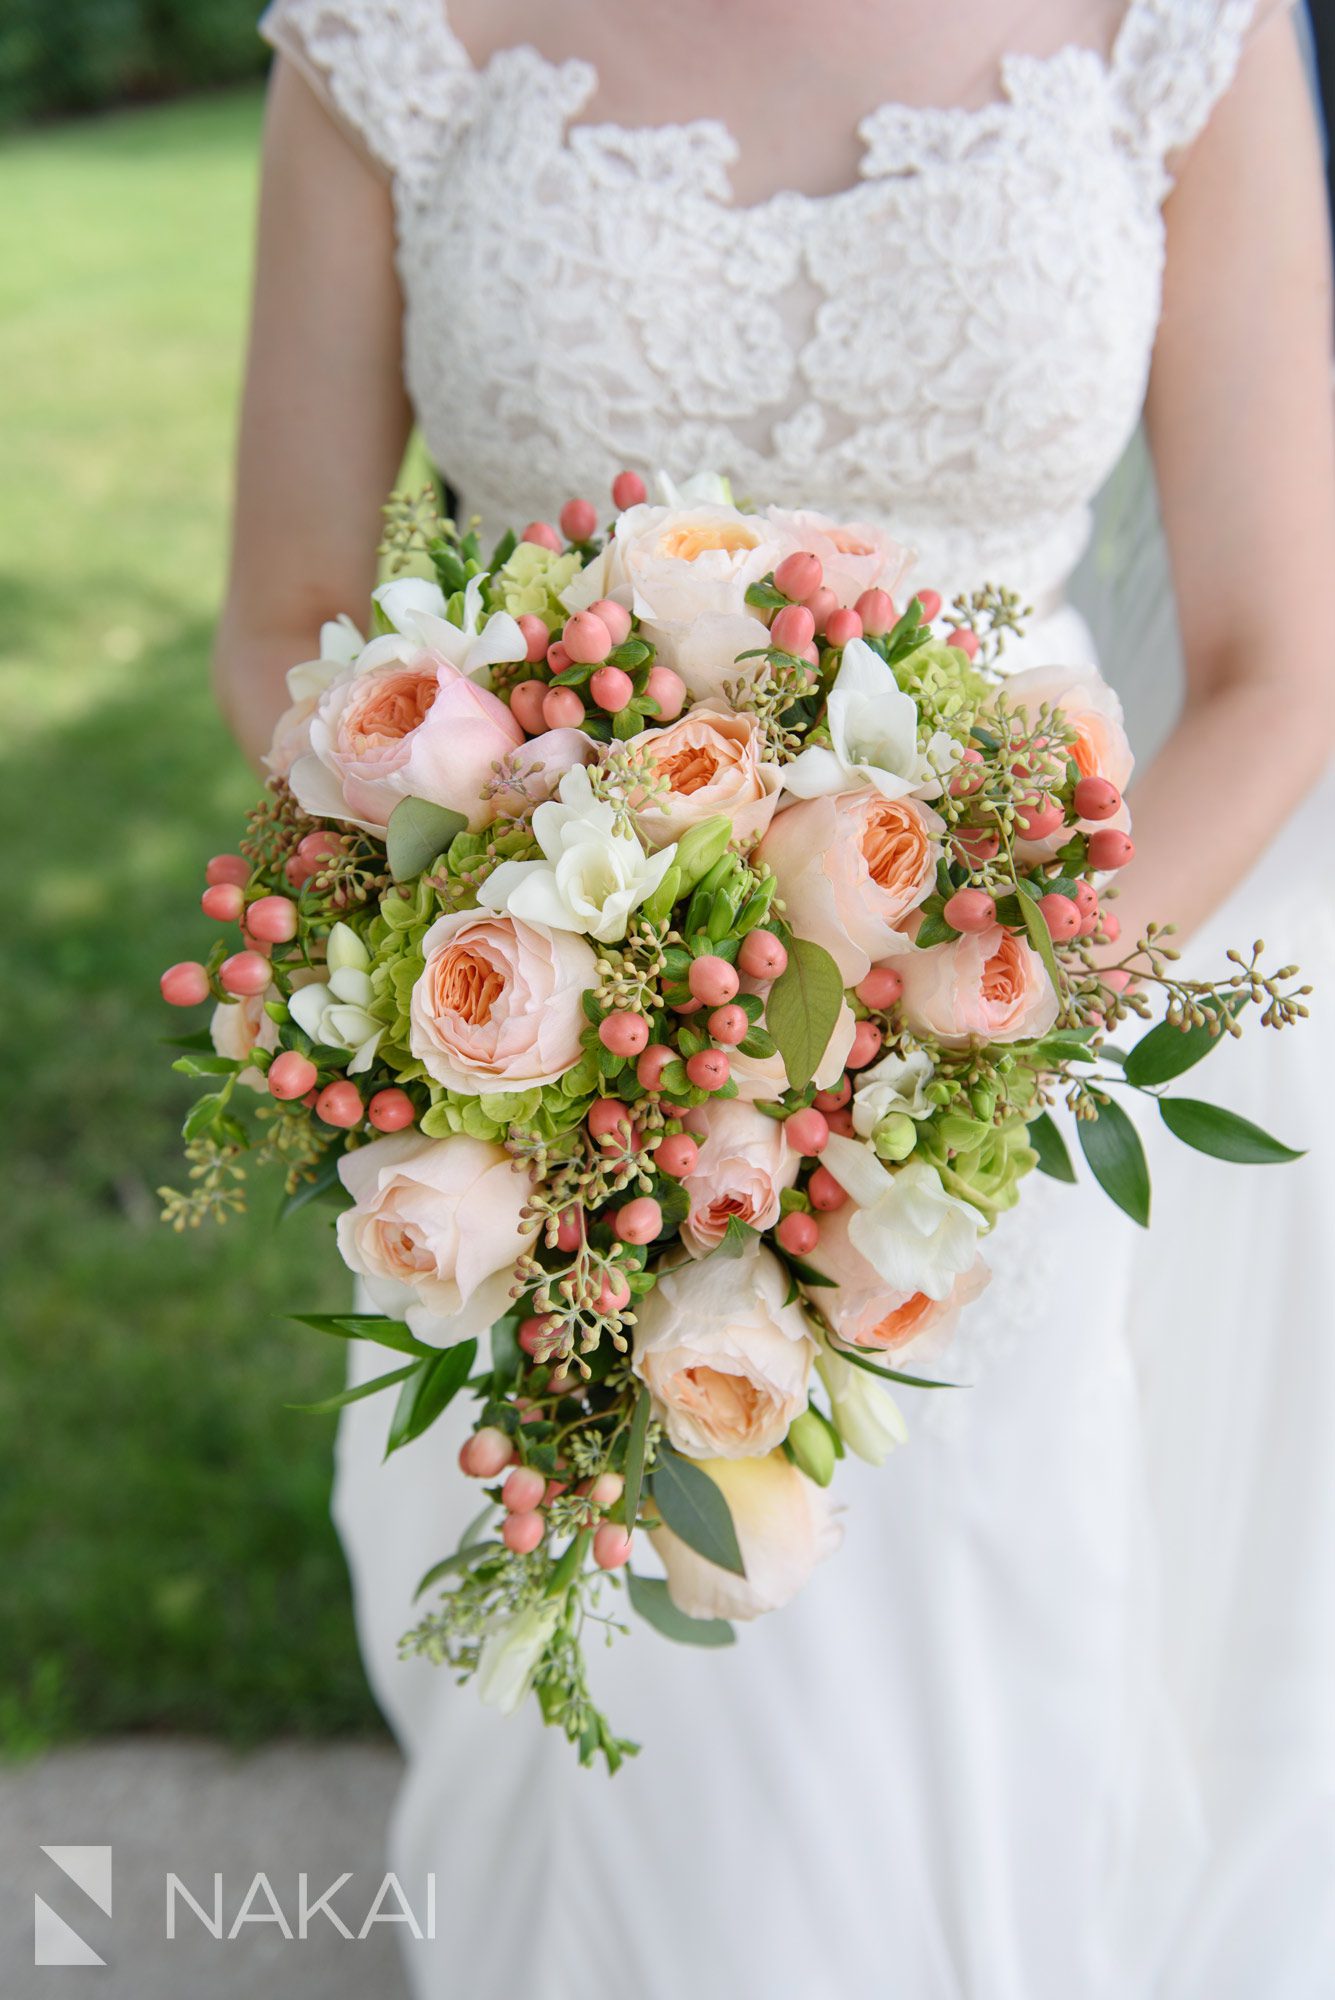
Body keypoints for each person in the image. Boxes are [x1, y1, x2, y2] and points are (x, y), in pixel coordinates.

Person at [215, 4, 1335, 1995]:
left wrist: (973, 1024)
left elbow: (1272, 662)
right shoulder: (388, 33)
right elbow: (284, 610)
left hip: (1009, 1058)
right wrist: (515, 971)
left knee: (981, 1708)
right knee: (628, 1731)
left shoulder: (1174, 26)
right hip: (562, 1047)